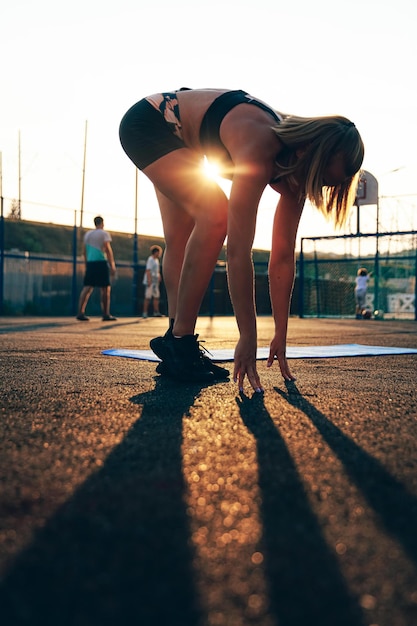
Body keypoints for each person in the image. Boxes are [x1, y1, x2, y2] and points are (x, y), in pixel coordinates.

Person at [119, 88, 364, 390]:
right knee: (215, 216)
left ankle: (176, 346)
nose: (320, 188)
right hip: (151, 122)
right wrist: (247, 336)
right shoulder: (261, 144)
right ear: (308, 152)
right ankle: (180, 344)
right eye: (324, 178)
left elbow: (283, 258)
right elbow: (237, 252)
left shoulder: (295, 176)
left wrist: (280, 335)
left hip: (188, 142)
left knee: (183, 235)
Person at [76, 215, 117, 321]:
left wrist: (86, 264)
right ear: (102, 223)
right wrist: (112, 265)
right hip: (101, 263)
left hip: (90, 263)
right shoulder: (104, 233)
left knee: (87, 287)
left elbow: (84, 251)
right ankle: (106, 314)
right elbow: (107, 250)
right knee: (105, 288)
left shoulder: (88, 234)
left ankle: (80, 312)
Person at [142, 245, 163, 318]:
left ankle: (156, 312)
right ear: (155, 252)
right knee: (147, 297)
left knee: (156, 297)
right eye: (159, 252)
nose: (160, 254)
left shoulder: (156, 260)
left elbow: (157, 270)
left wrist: (159, 276)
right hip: (150, 281)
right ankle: (144, 313)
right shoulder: (150, 259)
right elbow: (148, 270)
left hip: (155, 281)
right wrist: (149, 280)